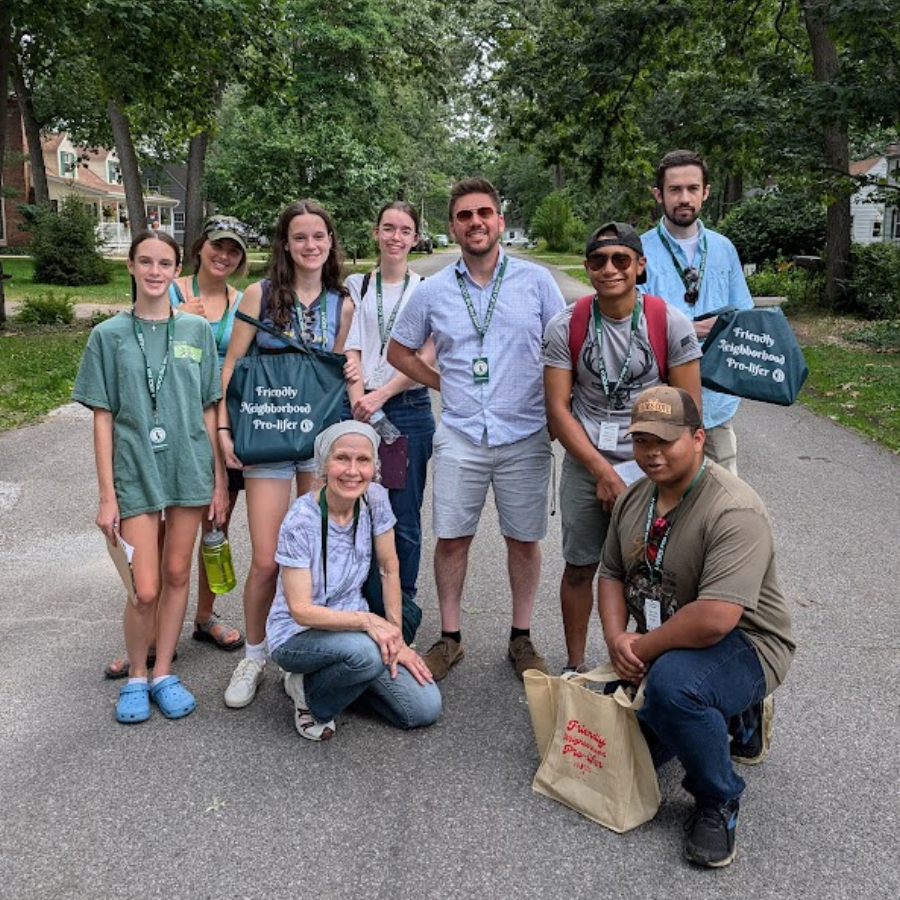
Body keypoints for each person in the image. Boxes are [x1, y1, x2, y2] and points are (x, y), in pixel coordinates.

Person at [597, 386, 795, 867]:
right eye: (642, 440)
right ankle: (734, 716)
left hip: (745, 641)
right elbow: (609, 574)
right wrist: (616, 639)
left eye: (665, 441)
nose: (652, 452)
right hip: (668, 639)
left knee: (674, 690)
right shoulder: (635, 500)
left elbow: (714, 620)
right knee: (628, 742)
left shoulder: (733, 509)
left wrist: (643, 651)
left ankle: (718, 799)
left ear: (699, 438)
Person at [388, 177, 566, 681]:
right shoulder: (436, 291)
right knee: (452, 538)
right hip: (462, 433)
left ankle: (522, 637)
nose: (475, 222)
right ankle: (451, 638)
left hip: (526, 433)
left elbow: (564, 351)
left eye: (484, 213)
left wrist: (556, 413)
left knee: (524, 539)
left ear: (499, 221)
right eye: (464, 216)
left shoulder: (536, 283)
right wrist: (440, 380)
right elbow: (398, 350)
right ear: (453, 227)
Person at [73, 230, 227, 723]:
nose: (155, 271)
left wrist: (218, 480)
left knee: (179, 572)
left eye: (165, 263)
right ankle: (136, 675)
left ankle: (163, 671)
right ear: (131, 268)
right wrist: (105, 496)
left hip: (188, 468)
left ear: (176, 269)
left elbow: (209, 407)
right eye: (146, 262)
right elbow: (101, 416)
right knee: (144, 587)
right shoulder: (109, 335)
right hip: (135, 471)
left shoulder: (196, 332)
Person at [542, 222, 702, 675]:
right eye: (598, 260)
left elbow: (689, 411)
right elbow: (558, 410)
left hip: (652, 464)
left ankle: (645, 663)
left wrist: (664, 473)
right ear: (587, 267)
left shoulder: (668, 321)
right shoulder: (567, 324)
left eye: (621, 260)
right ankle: (575, 668)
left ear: (640, 265)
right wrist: (602, 472)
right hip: (586, 457)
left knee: (654, 574)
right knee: (579, 566)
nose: (609, 269)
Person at [218, 200, 354, 709]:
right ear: (285, 244)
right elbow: (232, 365)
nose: (311, 245)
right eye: (300, 237)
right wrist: (226, 428)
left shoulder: (343, 303)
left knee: (316, 556)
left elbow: (337, 377)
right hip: (269, 437)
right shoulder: (261, 294)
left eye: (319, 236)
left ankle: (301, 655)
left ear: (330, 242)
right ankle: (254, 654)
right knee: (269, 559)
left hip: (319, 446)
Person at [102, 216, 248, 678]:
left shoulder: (228, 311)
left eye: (233, 249)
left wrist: (221, 469)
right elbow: (106, 408)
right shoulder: (147, 309)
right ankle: (142, 648)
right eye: (145, 260)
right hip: (147, 441)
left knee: (197, 549)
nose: (154, 269)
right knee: (147, 571)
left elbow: (226, 383)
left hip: (205, 436)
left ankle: (187, 637)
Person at [267, 421, 441, 740]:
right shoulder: (300, 520)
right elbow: (301, 610)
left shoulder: (374, 498)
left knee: (423, 709)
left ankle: (346, 679)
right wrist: (368, 622)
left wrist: (396, 639)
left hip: (357, 635)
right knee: (366, 654)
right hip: (297, 634)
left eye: (362, 460)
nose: (352, 471)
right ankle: (306, 692)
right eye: (341, 459)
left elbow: (390, 569)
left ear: (374, 466)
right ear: (323, 465)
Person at [344, 201, 436, 609]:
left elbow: (427, 356)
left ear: (415, 238)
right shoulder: (357, 285)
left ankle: (405, 602)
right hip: (359, 409)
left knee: (402, 516)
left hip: (407, 412)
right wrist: (359, 404)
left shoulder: (427, 290)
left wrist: (381, 396)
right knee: (354, 508)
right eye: (388, 228)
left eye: (404, 230)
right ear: (375, 232)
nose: (395, 237)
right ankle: (359, 598)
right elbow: (351, 349)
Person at [640, 150, 754, 474]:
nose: (684, 198)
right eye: (675, 190)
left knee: (726, 506)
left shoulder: (723, 249)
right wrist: (688, 330)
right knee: (663, 503)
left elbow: (742, 315)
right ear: (659, 194)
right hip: (660, 403)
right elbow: (630, 324)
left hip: (716, 406)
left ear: (705, 192)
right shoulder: (638, 251)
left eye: (692, 189)